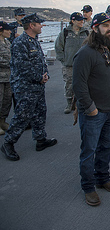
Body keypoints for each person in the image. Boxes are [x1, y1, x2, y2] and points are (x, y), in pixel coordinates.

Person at [72, 12, 110, 206]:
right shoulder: (85, 53)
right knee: (89, 150)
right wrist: (90, 108)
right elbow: (79, 85)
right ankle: (88, 187)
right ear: (95, 28)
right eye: (105, 26)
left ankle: (103, 178)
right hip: (94, 113)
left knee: (105, 147)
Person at [1, 13, 57, 161]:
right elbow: (22, 66)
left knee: (40, 112)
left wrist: (45, 75)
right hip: (25, 86)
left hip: (37, 85)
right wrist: (39, 77)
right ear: (31, 25)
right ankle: (8, 143)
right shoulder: (21, 42)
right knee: (22, 116)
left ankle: (40, 139)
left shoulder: (34, 41)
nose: (41, 26)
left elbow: (40, 61)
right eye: (39, 24)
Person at [55, 12, 89, 114]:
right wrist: (64, 60)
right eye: (79, 20)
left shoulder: (86, 33)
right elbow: (58, 47)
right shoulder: (65, 33)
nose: (82, 22)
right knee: (69, 84)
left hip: (83, 64)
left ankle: (80, 103)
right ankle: (69, 103)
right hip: (69, 65)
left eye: (82, 20)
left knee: (83, 84)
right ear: (73, 21)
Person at [0, 22, 15, 135]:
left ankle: (2, 121)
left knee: (7, 100)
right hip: (0, 77)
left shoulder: (7, 42)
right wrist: (12, 63)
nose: (10, 32)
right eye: (8, 30)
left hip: (8, 77)